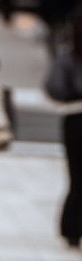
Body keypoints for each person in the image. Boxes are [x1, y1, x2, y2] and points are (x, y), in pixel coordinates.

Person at [44, 39, 82, 247]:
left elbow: (53, 86)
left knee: (76, 177)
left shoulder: (69, 55)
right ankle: (72, 227)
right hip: (75, 117)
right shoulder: (69, 55)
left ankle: (72, 228)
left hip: (75, 117)